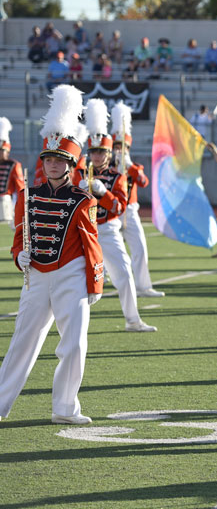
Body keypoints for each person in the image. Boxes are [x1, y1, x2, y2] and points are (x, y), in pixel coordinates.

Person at [0, 85, 103, 424]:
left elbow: (91, 243)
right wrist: (19, 258)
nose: (53, 165)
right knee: (22, 343)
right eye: (49, 159)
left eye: (60, 160)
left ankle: (65, 408)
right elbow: (19, 238)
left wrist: (94, 283)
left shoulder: (81, 200)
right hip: (36, 277)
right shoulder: (27, 196)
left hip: (71, 274)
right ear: (43, 162)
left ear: (71, 164)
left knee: (73, 344)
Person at [77, 99, 157, 333]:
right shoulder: (79, 173)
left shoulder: (117, 176)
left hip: (107, 229)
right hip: (83, 230)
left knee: (123, 274)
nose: (97, 156)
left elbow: (120, 207)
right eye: (93, 152)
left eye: (101, 152)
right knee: (72, 279)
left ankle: (132, 320)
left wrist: (103, 193)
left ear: (109, 152)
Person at [110, 102, 163, 299]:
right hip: (110, 210)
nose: (119, 150)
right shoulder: (105, 166)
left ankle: (143, 286)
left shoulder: (134, 166)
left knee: (139, 246)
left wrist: (130, 166)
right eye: (116, 147)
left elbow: (143, 181)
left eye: (123, 147)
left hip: (130, 211)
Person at [0, 118, 24, 223]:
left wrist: (21, 205)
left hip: (5, 201)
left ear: (7, 151)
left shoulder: (14, 165)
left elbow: (20, 188)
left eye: (2, 151)